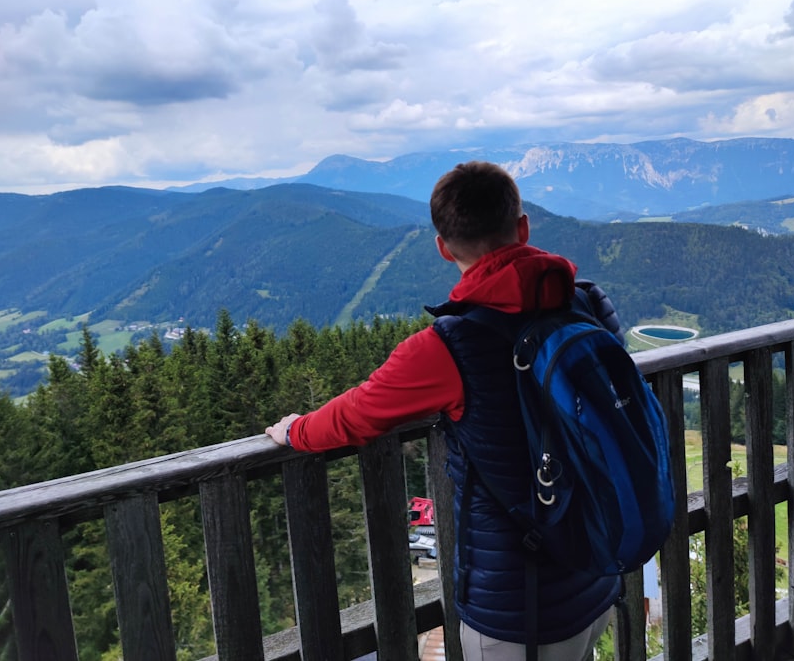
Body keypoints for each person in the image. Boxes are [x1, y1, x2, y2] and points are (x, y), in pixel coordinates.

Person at [266, 161, 621, 660]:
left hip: (518, 607)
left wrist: (296, 430)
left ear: (442, 246)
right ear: (522, 228)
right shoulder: (588, 304)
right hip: (596, 571)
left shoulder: (448, 347)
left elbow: (358, 413)